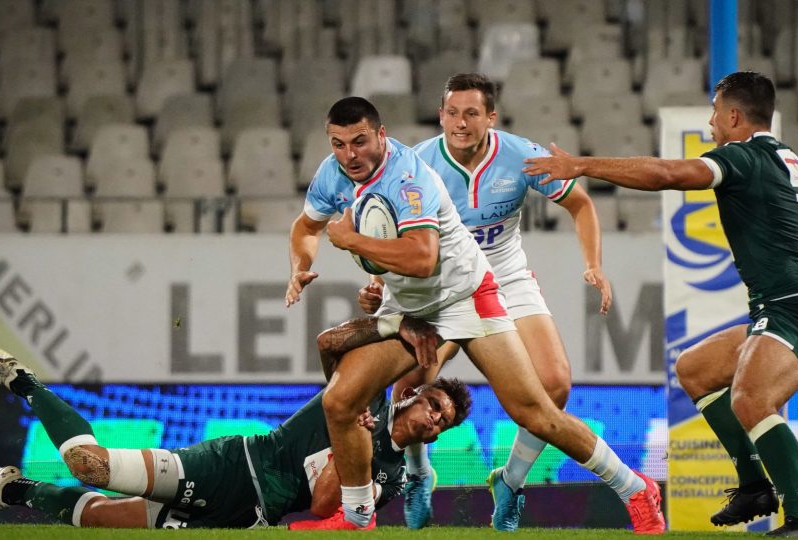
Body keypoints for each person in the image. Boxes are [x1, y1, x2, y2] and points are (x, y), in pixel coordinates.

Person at [284, 96, 665, 533]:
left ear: (381, 136)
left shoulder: (408, 177)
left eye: (360, 141)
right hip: (411, 307)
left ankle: (637, 489)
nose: (350, 155)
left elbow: (423, 258)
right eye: (338, 144)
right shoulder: (333, 173)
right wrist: (299, 265)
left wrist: (352, 241)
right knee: (340, 401)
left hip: (465, 294)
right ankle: (358, 516)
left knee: (536, 411)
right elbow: (306, 227)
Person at [522, 71, 798, 538]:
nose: (711, 122)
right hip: (788, 307)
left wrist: (584, 165)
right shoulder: (784, 155)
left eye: (714, 111)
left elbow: (670, 175)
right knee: (694, 368)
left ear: (734, 116)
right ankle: (754, 486)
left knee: (752, 399)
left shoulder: (744, 156)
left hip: (796, 311)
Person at [356, 72, 619, 531]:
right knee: (409, 382)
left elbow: (581, 204)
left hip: (504, 278)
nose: (461, 123)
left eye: (472, 113)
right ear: (440, 115)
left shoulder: (521, 155)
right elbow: (388, 236)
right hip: (440, 285)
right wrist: (380, 282)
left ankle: (511, 483)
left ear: (490, 117)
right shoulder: (414, 165)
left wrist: (593, 263)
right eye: (452, 113)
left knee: (553, 383)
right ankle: (419, 474)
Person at [0, 338, 472, 530]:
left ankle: (9, 491)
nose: (433, 417)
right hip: (230, 466)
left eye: (443, 420)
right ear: (413, 395)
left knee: (100, 516)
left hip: (248, 517)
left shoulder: (394, 474)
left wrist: (346, 443)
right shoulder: (362, 395)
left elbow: (322, 506)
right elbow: (331, 345)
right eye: (434, 403)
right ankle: (18, 377)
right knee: (92, 468)